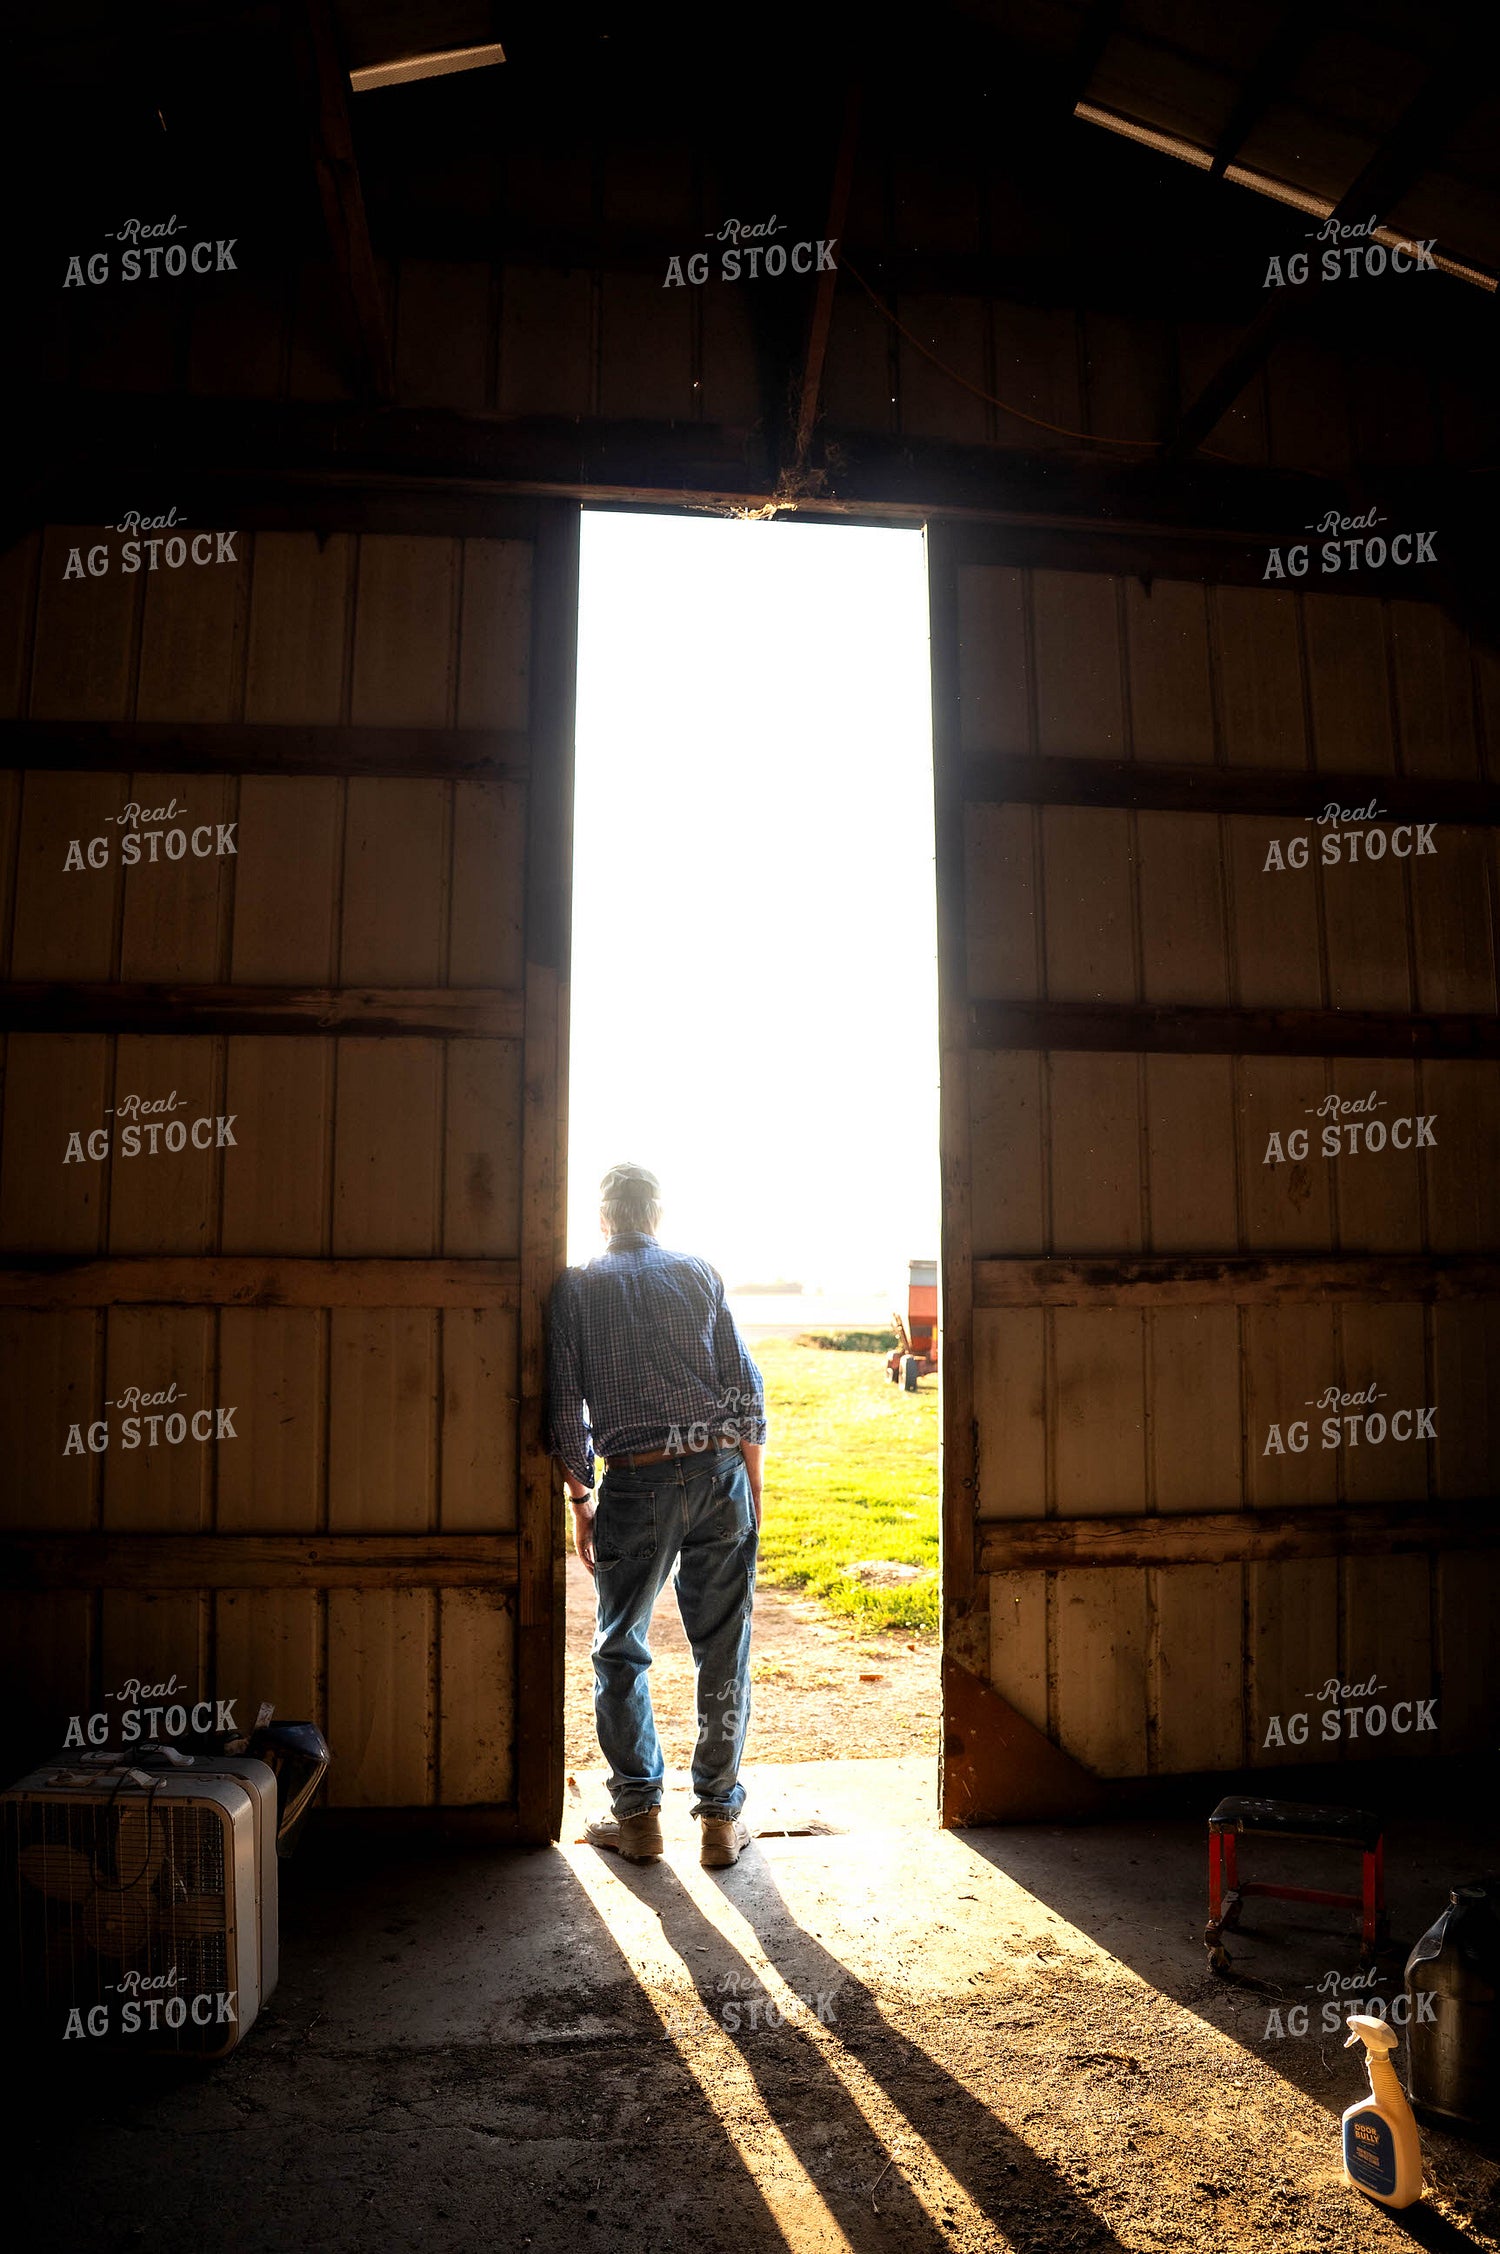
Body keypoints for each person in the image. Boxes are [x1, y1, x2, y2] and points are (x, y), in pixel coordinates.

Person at [548, 1162, 766, 1868]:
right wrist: (749, 1486)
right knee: (723, 1647)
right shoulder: (700, 1272)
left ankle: (638, 1817)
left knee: (620, 1649)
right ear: (658, 1215)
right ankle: (718, 1821)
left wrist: (581, 1498)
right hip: (717, 1469)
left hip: (637, 1485)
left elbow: (562, 1409)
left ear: (604, 1218)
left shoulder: (576, 1287)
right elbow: (744, 1388)